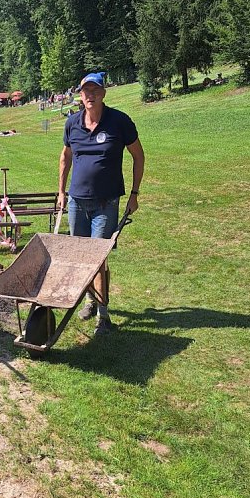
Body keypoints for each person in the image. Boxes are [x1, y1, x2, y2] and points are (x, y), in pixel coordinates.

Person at [57, 72, 145, 336]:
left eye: (95, 90)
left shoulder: (119, 121)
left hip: (106, 203)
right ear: (80, 95)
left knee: (98, 259)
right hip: (77, 202)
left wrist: (134, 194)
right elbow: (65, 157)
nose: (90, 95)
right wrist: (61, 192)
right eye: (86, 91)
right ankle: (90, 301)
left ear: (104, 93)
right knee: (82, 257)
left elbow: (138, 156)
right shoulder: (72, 123)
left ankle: (103, 316)